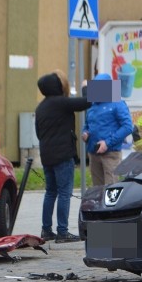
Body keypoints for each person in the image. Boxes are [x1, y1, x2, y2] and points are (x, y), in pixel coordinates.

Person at [34, 69, 90, 243]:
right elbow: (88, 101)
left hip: (47, 156)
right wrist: (87, 87)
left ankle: (46, 230)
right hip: (63, 155)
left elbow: (38, 133)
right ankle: (63, 232)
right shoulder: (60, 102)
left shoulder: (41, 107)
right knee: (65, 193)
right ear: (59, 86)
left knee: (50, 192)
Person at [82, 73, 133, 186]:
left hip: (110, 154)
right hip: (93, 153)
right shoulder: (93, 104)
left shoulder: (117, 103)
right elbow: (87, 124)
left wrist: (107, 142)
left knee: (111, 189)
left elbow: (128, 127)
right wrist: (85, 132)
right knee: (98, 190)